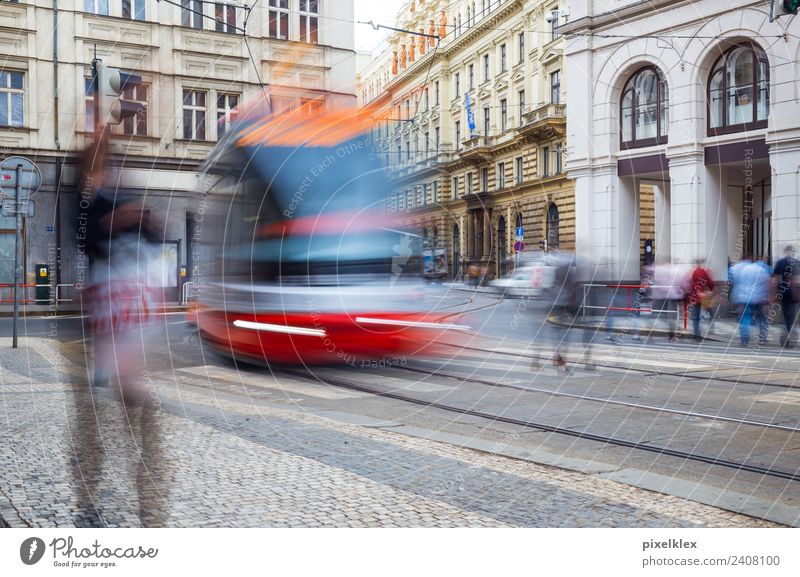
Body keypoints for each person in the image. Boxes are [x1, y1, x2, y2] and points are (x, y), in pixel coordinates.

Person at [730, 255, 770, 346]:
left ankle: (744, 339)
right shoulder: (762, 270)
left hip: (745, 297)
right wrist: (766, 297)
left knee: (745, 317)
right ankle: (762, 337)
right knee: (762, 317)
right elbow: (766, 284)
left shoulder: (745, 269)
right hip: (758, 297)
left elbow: (740, 283)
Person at [772, 245, 798, 349]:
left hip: (783, 291)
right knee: (791, 317)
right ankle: (791, 340)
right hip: (793, 292)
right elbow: (796, 279)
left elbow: (775, 280)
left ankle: (784, 341)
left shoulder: (780, 263)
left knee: (786, 316)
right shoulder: (796, 262)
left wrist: (775, 294)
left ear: (785, 251)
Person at [686, 258, 715, 341]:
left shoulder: (691, 272)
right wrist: (711, 290)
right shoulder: (703, 272)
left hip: (694, 297)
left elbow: (687, 284)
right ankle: (709, 327)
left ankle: (696, 335)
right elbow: (710, 283)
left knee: (695, 317)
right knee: (706, 312)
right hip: (702, 296)